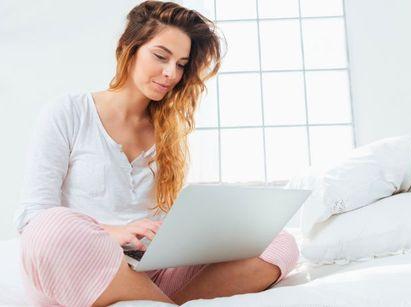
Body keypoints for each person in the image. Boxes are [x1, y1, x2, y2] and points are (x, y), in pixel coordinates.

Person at [14, 1, 300, 306]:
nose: (170, 73)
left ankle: (153, 301)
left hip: (149, 268)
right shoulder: (69, 112)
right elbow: (33, 216)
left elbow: (163, 217)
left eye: (180, 64)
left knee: (281, 244)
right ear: (129, 47)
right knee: (49, 227)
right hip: (85, 261)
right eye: (161, 56)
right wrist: (114, 233)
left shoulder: (169, 132)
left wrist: (189, 237)